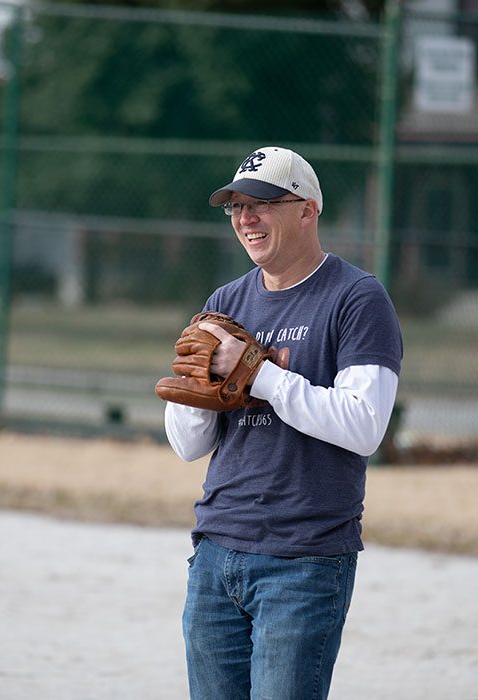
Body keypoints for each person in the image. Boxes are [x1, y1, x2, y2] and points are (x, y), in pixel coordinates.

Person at [163, 146, 403, 699]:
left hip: (304, 560)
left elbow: (365, 425)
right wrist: (195, 391)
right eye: (236, 207)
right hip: (217, 552)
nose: (246, 218)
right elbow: (188, 446)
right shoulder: (226, 301)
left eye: (263, 203)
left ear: (307, 210)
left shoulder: (356, 298)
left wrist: (256, 372)